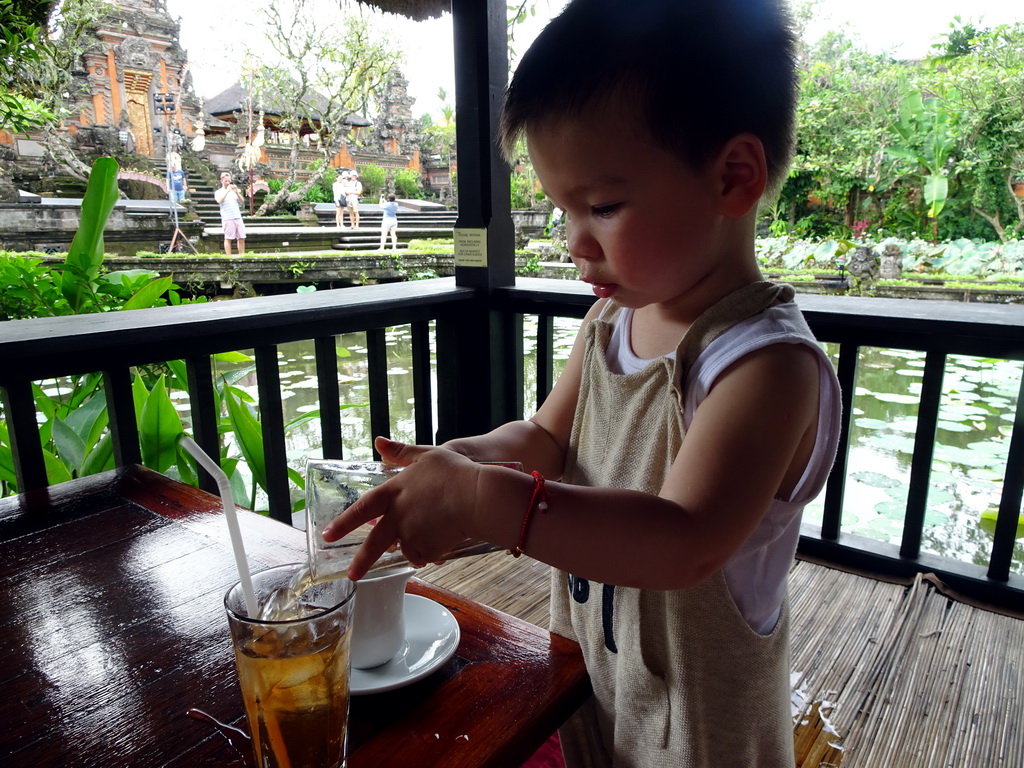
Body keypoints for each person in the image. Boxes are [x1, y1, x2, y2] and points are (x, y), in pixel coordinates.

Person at [322, 1, 842, 765]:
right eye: (563, 210)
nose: (575, 243)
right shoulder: (610, 324)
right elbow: (545, 440)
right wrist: (465, 458)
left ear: (734, 177)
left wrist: (478, 499)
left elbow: (683, 542)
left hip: (703, 725)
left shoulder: (764, 365)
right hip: (601, 671)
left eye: (601, 206)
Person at [214, 172, 246, 256]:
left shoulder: (234, 191)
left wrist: (237, 192)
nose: (228, 183)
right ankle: (229, 256)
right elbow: (219, 201)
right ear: (221, 181)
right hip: (227, 217)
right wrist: (227, 191)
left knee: (241, 237)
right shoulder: (218, 192)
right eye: (226, 181)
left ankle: (242, 255)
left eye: (229, 181)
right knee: (228, 238)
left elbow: (242, 201)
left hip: (237, 216)